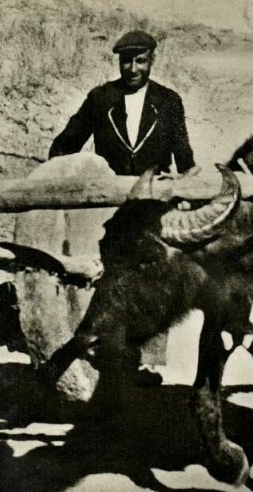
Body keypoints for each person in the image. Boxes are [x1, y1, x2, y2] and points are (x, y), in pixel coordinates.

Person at [49, 30, 197, 385]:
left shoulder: (169, 102)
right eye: (126, 61)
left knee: (156, 279)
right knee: (107, 277)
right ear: (119, 62)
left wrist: (191, 189)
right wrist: (67, 173)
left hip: (153, 209)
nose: (133, 68)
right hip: (109, 211)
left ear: (152, 61)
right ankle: (100, 348)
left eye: (140, 61)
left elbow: (184, 157)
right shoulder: (101, 99)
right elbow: (64, 145)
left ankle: (146, 359)